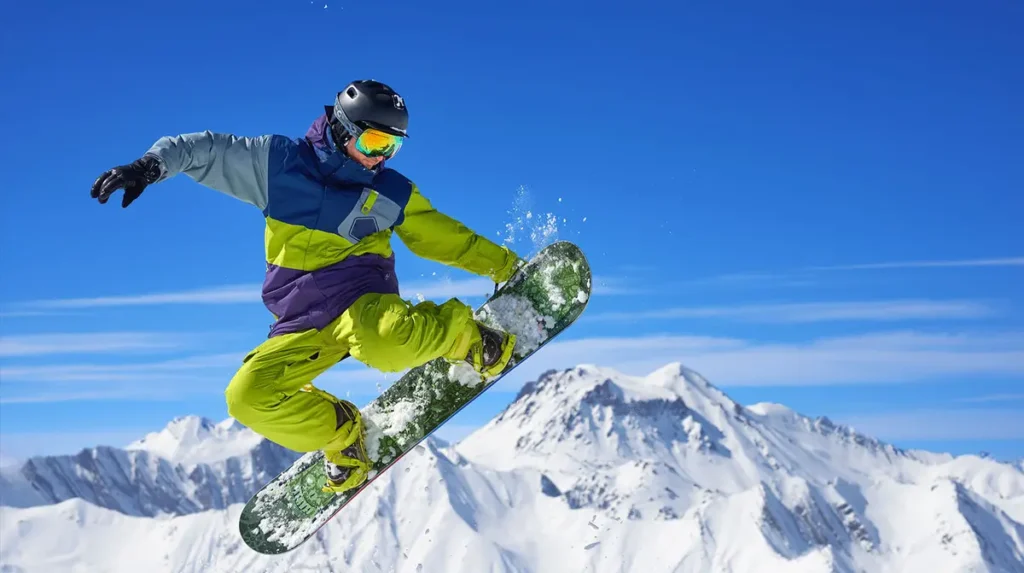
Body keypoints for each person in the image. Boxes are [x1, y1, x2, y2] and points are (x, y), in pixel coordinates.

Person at [90, 79, 523, 494]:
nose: (380, 159)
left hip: (363, 303)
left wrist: (506, 266)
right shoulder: (278, 165)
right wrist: (150, 166)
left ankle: (466, 336)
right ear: (344, 129)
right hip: (302, 318)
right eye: (375, 143)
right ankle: (342, 434)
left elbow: (446, 238)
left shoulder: (390, 192)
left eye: (391, 147)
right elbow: (206, 150)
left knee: (385, 342)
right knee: (246, 397)